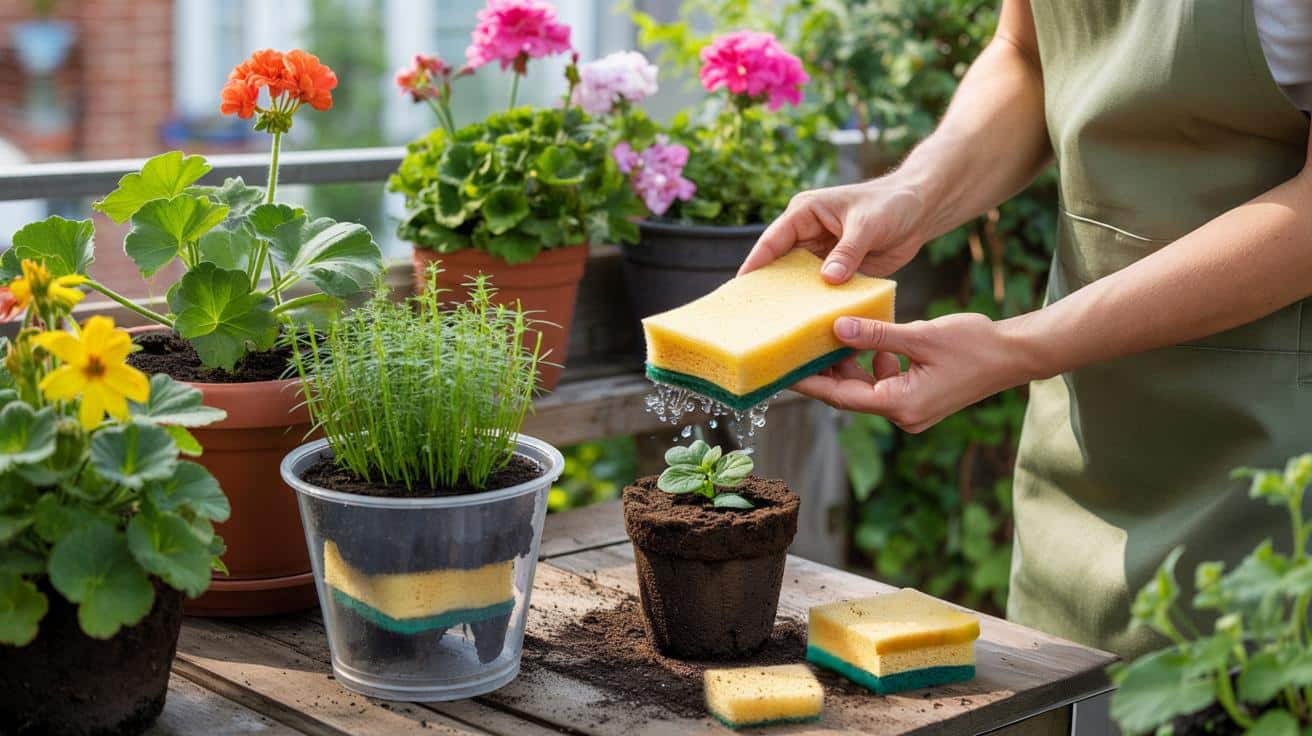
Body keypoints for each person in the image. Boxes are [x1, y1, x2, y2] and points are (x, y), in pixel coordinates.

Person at [741, 0, 1312, 658]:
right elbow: (1027, 54)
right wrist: (915, 194)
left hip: (1271, 468)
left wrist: (1022, 346)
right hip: (1080, 446)